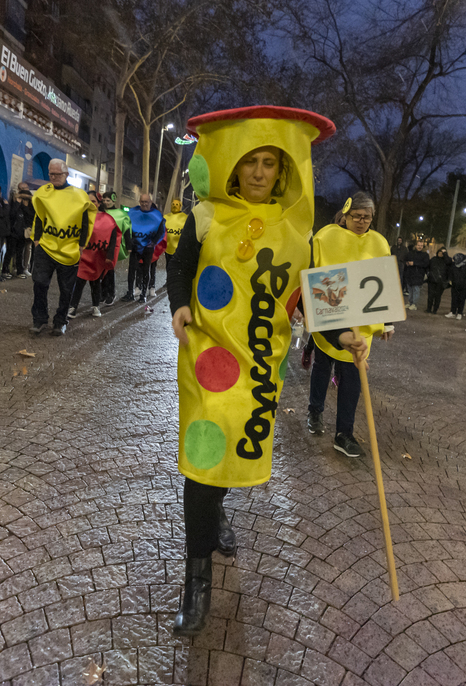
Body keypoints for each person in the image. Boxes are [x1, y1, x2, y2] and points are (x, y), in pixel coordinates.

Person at [167, 105, 336, 637]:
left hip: (260, 365)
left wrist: (347, 333)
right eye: (250, 162)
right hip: (207, 355)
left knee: (234, 448)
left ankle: (217, 512)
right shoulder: (206, 215)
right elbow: (181, 266)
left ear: (282, 170)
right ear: (234, 168)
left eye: (269, 162)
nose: (260, 171)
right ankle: (197, 582)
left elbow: (316, 296)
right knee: (203, 454)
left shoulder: (298, 233)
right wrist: (179, 304)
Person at [305, 192, 393, 458]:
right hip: (331, 318)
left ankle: (344, 433)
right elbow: (313, 271)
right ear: (345, 214)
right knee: (323, 367)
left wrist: (387, 321)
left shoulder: (378, 242)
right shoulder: (326, 237)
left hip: (360, 327)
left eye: (367, 217)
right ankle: (315, 411)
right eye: (357, 216)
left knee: (353, 378)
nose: (362, 221)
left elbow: (383, 280)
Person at [30, 159, 95, 336]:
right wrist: (36, 240)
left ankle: (60, 321)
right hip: (46, 245)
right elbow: (39, 217)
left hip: (69, 248)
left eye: (57, 174)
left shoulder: (79, 195)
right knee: (39, 283)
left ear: (66, 174)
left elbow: (84, 222)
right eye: (51, 174)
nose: (53, 177)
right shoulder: (43, 192)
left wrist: (82, 245)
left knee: (66, 289)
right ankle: (40, 319)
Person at [69, 195, 119, 318]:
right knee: (79, 283)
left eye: (94, 201)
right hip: (82, 256)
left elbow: (113, 238)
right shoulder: (80, 215)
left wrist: (109, 255)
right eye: (89, 201)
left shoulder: (108, 219)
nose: (91, 204)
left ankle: (96, 306)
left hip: (97, 256)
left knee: (95, 283)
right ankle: (73, 307)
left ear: (98, 203)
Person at [126, 193, 164, 301]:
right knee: (132, 270)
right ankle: (130, 292)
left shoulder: (156, 216)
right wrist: (131, 241)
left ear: (150, 203)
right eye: (142, 202)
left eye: (146, 202)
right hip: (135, 246)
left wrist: (153, 242)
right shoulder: (133, 213)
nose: (144, 204)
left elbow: (161, 231)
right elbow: (127, 228)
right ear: (139, 202)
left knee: (146, 270)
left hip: (148, 248)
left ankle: (143, 294)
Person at [101, 192, 132, 305]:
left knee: (109, 269)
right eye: (104, 200)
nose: (106, 203)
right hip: (100, 245)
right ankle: (103, 293)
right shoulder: (101, 213)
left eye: (108, 200)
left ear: (113, 201)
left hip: (114, 245)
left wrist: (129, 245)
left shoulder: (121, 214)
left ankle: (111, 293)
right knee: (100, 269)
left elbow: (127, 229)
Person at [5, 186, 34, 279]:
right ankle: (5, 270)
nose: (24, 200)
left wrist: (25, 207)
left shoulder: (30, 207)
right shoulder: (15, 205)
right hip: (13, 232)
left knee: (20, 252)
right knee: (10, 252)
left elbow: (31, 217)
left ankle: (20, 271)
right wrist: (17, 203)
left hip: (23, 233)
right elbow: (12, 214)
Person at [446, 252, 466, 319]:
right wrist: (451, 280)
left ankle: (460, 313)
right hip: (455, 285)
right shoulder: (454, 264)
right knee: (454, 299)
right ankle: (453, 312)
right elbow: (451, 272)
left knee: (461, 299)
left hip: (464, 286)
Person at [426, 245, 450, 314]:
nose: (441, 254)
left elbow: (449, 262)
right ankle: (429, 309)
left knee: (438, 297)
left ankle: (435, 310)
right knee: (430, 296)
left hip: (441, 282)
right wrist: (428, 273)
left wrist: (445, 254)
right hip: (432, 280)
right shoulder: (433, 259)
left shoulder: (446, 261)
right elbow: (428, 266)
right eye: (440, 252)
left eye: (443, 253)